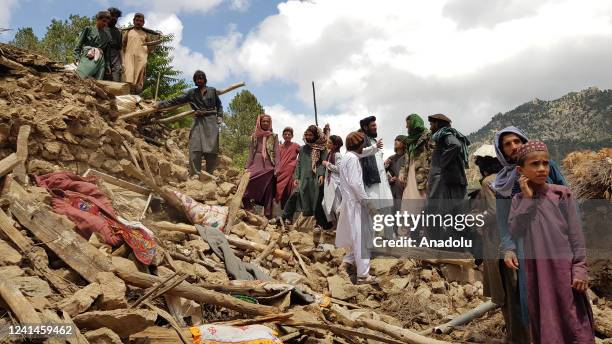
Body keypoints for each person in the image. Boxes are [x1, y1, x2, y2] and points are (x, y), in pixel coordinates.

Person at [508, 141, 594, 344]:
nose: (541, 169)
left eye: (545, 163)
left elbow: (576, 235)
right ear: (521, 170)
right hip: (537, 273)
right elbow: (515, 230)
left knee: (573, 319)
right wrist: (528, 200)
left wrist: (580, 268)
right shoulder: (518, 200)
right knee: (545, 318)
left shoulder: (562, 194)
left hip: (564, 271)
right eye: (535, 164)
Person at [492, 126, 567, 343]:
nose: (514, 146)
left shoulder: (547, 166)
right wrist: (508, 248)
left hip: (554, 236)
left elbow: (567, 198)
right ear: (501, 150)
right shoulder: (502, 182)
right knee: (531, 290)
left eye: (517, 141)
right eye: (507, 144)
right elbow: (503, 219)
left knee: (562, 284)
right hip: (525, 241)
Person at [156, 70, 223, 175]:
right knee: (195, 146)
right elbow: (176, 100)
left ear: (205, 79)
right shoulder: (191, 93)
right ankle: (195, 174)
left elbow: (219, 105)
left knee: (212, 149)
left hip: (211, 121)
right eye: (197, 79)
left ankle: (209, 174)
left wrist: (220, 116)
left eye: (201, 78)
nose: (199, 80)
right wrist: (160, 104)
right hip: (198, 121)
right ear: (195, 81)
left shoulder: (212, 91)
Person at [336, 131, 378, 284]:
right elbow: (356, 183)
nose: (364, 147)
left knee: (356, 237)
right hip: (356, 203)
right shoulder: (353, 159)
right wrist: (367, 202)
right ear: (358, 146)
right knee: (362, 238)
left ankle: (347, 264)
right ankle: (363, 275)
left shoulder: (347, 157)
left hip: (350, 203)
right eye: (363, 145)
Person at [281, 125, 328, 228]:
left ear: (315, 135)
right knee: (295, 194)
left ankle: (318, 223)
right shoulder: (302, 149)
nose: (308, 136)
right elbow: (298, 163)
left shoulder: (322, 149)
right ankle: (285, 217)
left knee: (316, 199)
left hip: (315, 178)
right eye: (306, 134)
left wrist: (321, 175)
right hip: (303, 177)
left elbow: (323, 163)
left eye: (311, 135)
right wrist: (296, 177)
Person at [398, 114, 433, 237]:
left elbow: (432, 157)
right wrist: (402, 172)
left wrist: (430, 176)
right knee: (407, 208)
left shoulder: (428, 137)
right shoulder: (409, 141)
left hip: (423, 178)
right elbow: (406, 161)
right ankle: (403, 238)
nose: (406, 126)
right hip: (410, 177)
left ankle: (427, 240)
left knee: (424, 209)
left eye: (408, 123)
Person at [358, 116, 393, 238]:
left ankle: (387, 239)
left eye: (375, 125)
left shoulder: (373, 141)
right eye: (372, 126)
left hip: (381, 182)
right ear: (365, 127)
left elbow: (377, 161)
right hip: (370, 183)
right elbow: (359, 153)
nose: (375, 127)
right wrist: (374, 147)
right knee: (373, 212)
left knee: (385, 210)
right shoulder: (361, 139)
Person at [243, 114, 279, 218]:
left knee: (269, 188)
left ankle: (267, 214)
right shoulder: (254, 136)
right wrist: (247, 167)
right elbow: (251, 152)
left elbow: (276, 153)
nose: (266, 123)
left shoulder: (274, 136)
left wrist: (277, 168)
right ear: (259, 122)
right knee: (246, 182)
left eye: (268, 121)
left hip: (269, 165)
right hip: (256, 162)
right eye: (263, 121)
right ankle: (247, 206)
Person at [122, 13, 160, 93]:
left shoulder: (145, 34)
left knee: (139, 79)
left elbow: (150, 48)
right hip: (129, 58)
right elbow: (123, 45)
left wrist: (157, 40)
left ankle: (135, 94)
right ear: (133, 21)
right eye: (137, 20)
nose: (138, 22)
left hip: (141, 60)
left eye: (140, 21)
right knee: (128, 76)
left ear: (143, 23)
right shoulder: (128, 32)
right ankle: (126, 93)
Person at [74, 11, 111, 80]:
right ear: (98, 19)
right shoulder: (89, 29)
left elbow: (107, 54)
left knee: (97, 83)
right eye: (103, 21)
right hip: (89, 56)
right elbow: (79, 44)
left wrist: (107, 65)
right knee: (80, 77)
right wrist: (77, 57)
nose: (105, 24)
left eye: (107, 22)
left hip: (101, 60)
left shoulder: (107, 36)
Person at [275, 127, 301, 209]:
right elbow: (275, 159)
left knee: (289, 190)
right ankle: (278, 212)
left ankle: (287, 214)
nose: (287, 136)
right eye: (285, 134)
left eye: (289, 134)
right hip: (280, 172)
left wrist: (296, 163)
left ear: (292, 136)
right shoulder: (279, 147)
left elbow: (303, 153)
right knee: (278, 190)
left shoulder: (295, 146)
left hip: (291, 172)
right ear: (282, 136)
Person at [322, 134, 343, 225]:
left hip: (335, 183)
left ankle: (340, 228)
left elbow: (339, 169)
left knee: (336, 206)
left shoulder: (337, 155)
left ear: (335, 145)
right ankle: (335, 226)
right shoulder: (330, 154)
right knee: (325, 204)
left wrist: (327, 164)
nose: (328, 143)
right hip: (329, 183)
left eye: (330, 143)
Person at [385, 135, 407, 200]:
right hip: (394, 190)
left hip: (405, 188)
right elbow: (383, 174)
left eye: (399, 140)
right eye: (395, 140)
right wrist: (389, 180)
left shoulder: (408, 157)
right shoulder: (391, 159)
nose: (396, 141)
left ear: (404, 143)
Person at [104, 7, 123, 82]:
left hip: (115, 59)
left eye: (116, 17)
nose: (114, 18)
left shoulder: (118, 32)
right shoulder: (102, 28)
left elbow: (120, 49)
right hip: (103, 57)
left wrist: (122, 63)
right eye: (112, 15)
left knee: (116, 80)